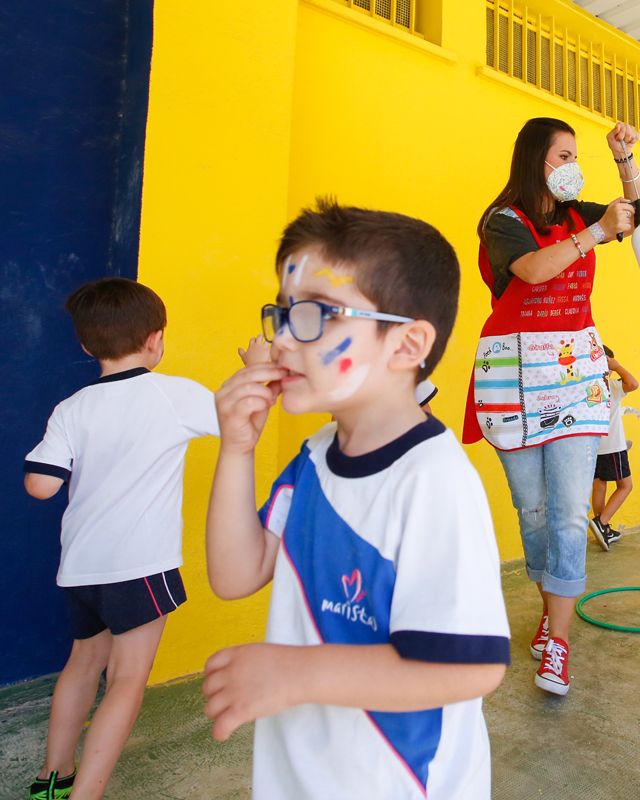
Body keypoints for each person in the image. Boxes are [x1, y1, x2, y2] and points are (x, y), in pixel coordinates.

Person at [204, 200, 510, 798]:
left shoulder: (432, 481)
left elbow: (473, 666)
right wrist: (237, 450)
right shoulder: (314, 459)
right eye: (284, 314)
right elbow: (235, 574)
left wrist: (293, 672)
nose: (285, 340)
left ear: (405, 345)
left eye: (315, 315)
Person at [463, 117, 640, 696]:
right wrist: (596, 234)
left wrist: (623, 164)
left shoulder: (575, 213)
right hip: (512, 378)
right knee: (532, 511)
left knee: (567, 513)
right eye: (563, 154)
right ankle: (550, 612)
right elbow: (534, 271)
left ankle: (558, 642)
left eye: (576, 155)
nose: (572, 165)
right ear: (535, 159)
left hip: (573, 377)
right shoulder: (504, 221)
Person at [23, 278, 218, 800]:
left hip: (82, 567)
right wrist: (256, 371)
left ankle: (51, 781)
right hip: (140, 567)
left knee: (82, 663)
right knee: (128, 678)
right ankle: (87, 795)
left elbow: (40, 486)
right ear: (156, 339)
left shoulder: (72, 407)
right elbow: (240, 424)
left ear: (87, 346)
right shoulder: (175, 394)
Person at [591, 345, 639, 550]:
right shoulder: (612, 386)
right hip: (612, 446)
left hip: (592, 446)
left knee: (600, 484)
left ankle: (604, 527)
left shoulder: (584, 388)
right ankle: (601, 523)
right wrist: (618, 366)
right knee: (625, 485)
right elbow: (633, 384)